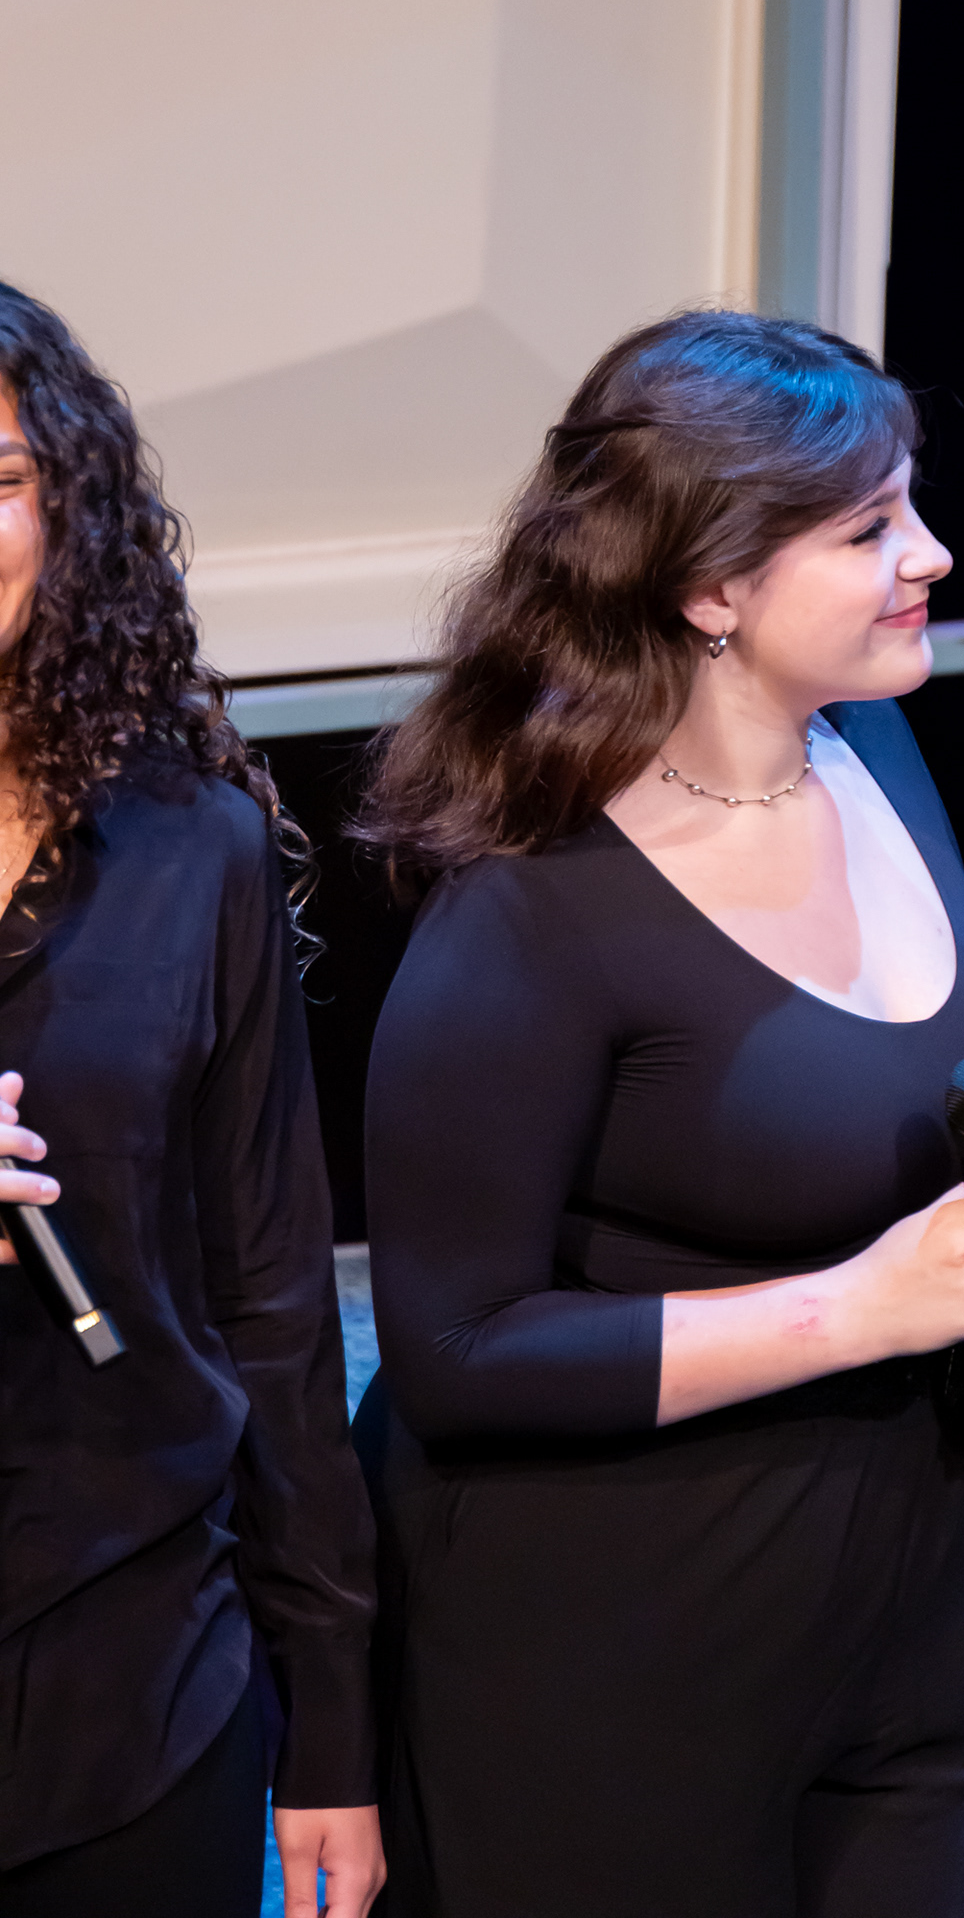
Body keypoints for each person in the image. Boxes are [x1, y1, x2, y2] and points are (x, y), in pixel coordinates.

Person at [355, 307, 964, 1918]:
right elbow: (456, 1350)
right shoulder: (536, 902)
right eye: (869, 529)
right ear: (710, 588)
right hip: (622, 1662)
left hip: (912, 1628)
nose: (932, 555)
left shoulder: (878, 753)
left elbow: (914, 1090)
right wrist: (853, 1310)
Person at [0, 285, 382, 1918]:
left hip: (136, 1672)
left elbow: (270, 1301)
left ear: (67, 506)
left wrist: (332, 1721)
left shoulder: (191, 843)